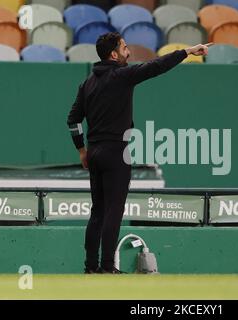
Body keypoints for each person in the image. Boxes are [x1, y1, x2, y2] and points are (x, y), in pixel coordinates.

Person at [67, 32, 210, 274]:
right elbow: (156, 66)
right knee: (114, 210)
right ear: (113, 54)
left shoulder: (87, 83)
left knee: (97, 211)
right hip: (116, 152)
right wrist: (186, 51)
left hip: (95, 152)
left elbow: (73, 120)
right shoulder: (122, 76)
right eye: (124, 48)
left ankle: (90, 267)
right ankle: (107, 267)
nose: (128, 51)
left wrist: (82, 150)